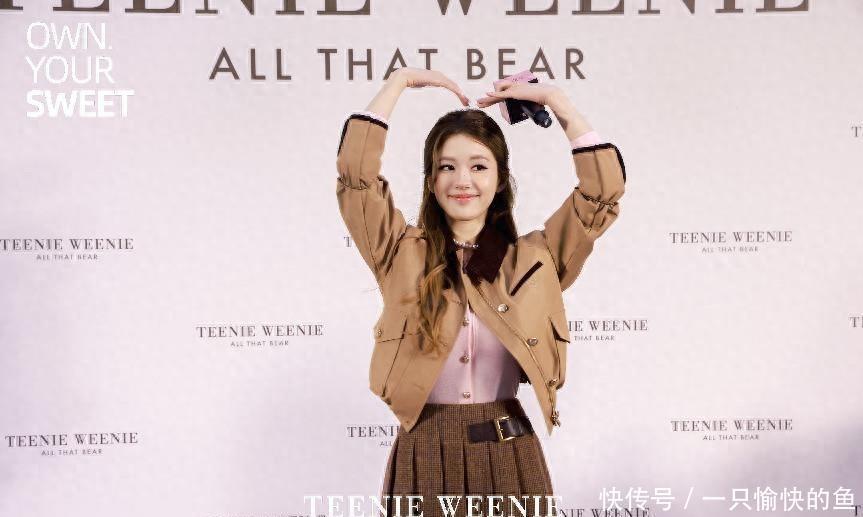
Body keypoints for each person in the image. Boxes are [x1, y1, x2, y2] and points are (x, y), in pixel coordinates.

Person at [335, 67, 626, 517]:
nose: (462, 180)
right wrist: (398, 84)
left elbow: (602, 193)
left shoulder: (536, 257)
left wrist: (556, 101)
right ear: (431, 180)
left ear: (500, 178)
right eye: (446, 167)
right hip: (424, 453)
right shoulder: (398, 252)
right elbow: (357, 178)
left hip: (511, 456)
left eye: (478, 166)